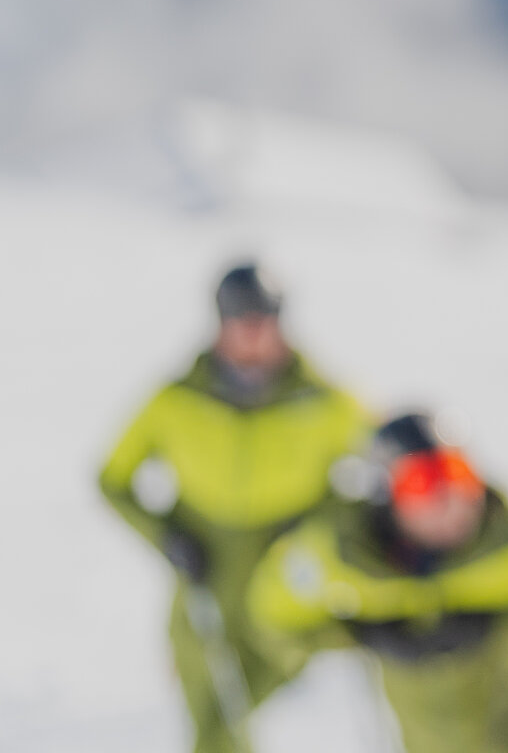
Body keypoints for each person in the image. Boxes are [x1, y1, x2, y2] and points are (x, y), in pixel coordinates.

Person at [98, 263, 369, 753]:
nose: (252, 332)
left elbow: (383, 473)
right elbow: (113, 478)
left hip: (285, 583)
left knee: (240, 710)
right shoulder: (179, 399)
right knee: (213, 716)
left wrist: (322, 524)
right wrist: (167, 537)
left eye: (263, 318)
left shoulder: (323, 399)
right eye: (240, 319)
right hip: (207, 579)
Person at [248, 413, 508, 753]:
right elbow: (272, 615)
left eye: (459, 473)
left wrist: (497, 629)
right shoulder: (345, 555)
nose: (450, 500)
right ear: (387, 493)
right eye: (422, 482)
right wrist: (361, 635)